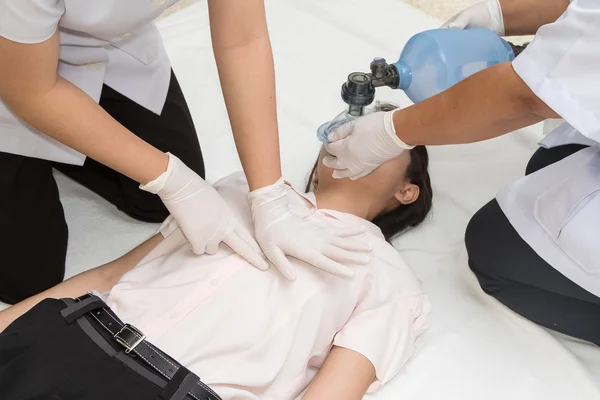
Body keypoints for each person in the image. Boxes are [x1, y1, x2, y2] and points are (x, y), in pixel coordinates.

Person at [0, 132, 433, 399]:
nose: (358, 134)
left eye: (389, 136)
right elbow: (111, 274)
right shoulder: (241, 189)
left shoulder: (388, 279)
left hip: (171, 389)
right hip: (72, 334)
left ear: (408, 192)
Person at [0, 0, 371, 305]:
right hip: (15, 72)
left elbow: (242, 38)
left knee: (156, 204)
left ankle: (63, 140)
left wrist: (269, 195)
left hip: (106, 46)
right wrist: (172, 180)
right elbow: (33, 92)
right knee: (27, 278)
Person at [324, 0, 600, 345]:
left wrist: (393, 132)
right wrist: (499, 15)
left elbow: (524, 98)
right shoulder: (261, 201)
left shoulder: (379, 274)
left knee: (495, 252)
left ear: (407, 191)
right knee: (553, 160)